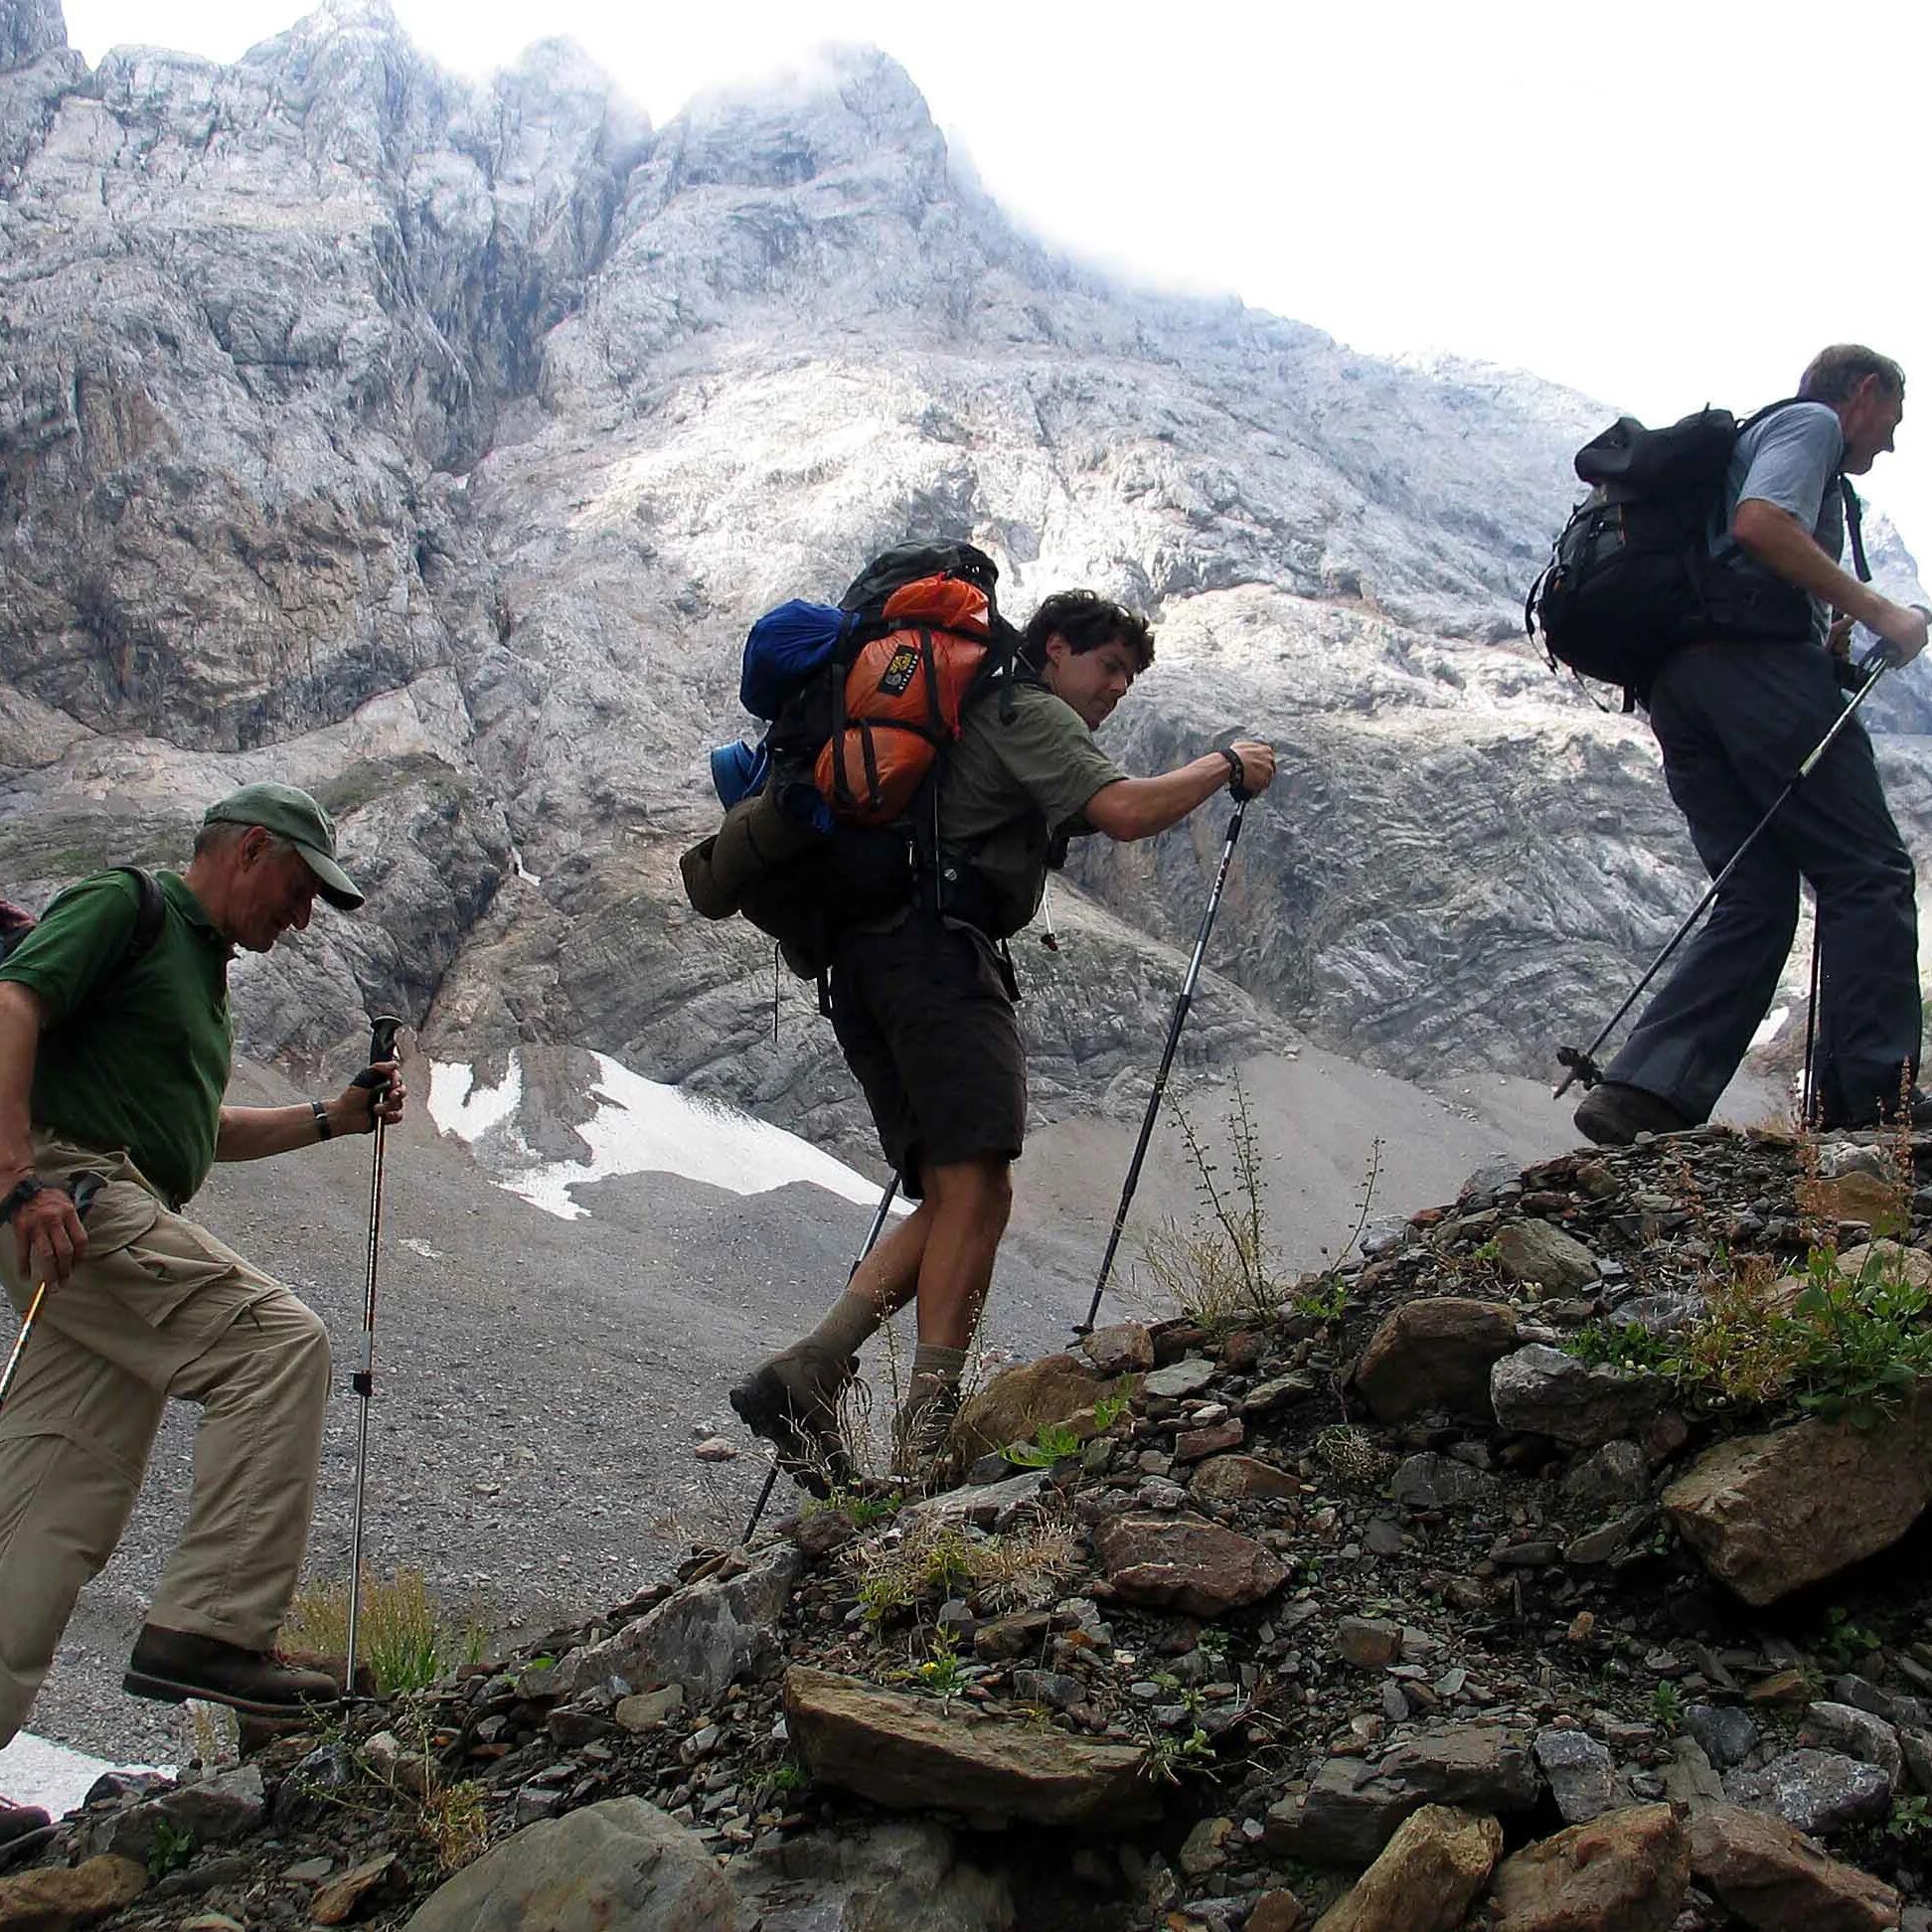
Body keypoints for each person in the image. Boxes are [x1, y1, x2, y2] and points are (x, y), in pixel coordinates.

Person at [730, 588, 1276, 1484]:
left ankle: (811, 1370)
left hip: (867, 969)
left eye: (1130, 680)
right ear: (1054, 647)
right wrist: (1221, 765)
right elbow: (1127, 811)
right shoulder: (1025, 707)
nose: (1116, 691)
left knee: (956, 1194)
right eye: (1108, 668)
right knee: (980, 1185)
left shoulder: (974, 719)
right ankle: (927, 1433)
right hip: (938, 960)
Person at [0, 783, 405, 1809]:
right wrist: (16, 1181)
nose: (303, 914)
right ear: (251, 849)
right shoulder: (127, 906)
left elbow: (196, 1129)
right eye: (301, 888)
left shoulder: (198, 974)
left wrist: (333, 1119)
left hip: (86, 1223)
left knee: (53, 1511)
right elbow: (9, 1003)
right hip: (73, 1197)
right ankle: (213, 1634)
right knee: (276, 1346)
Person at [1575, 345, 1929, 1146]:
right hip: (1755, 676)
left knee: (1757, 891)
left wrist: (1823, 638)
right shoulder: (1809, 425)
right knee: (1867, 869)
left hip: (1682, 689)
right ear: (1864, 393)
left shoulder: (1743, 449)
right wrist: (1880, 613)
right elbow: (1761, 525)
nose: (1892, 444)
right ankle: (1872, 1101)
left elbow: (1738, 546)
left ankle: (1643, 1093)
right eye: (1894, 421)